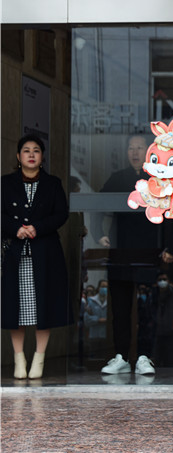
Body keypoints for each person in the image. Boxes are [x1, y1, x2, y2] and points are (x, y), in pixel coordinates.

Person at [91, 133, 173, 376]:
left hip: (149, 254)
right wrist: (98, 235)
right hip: (120, 252)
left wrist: (172, 248)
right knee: (120, 310)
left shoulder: (160, 176)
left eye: (139, 147)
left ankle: (144, 356)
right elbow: (96, 206)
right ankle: (121, 357)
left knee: (147, 310)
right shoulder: (117, 179)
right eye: (130, 148)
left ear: (149, 151)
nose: (134, 152)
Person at [2, 134, 72, 380]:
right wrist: (15, 229)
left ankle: (39, 358)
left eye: (36, 150)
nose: (31, 154)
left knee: (45, 307)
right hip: (15, 254)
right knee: (16, 309)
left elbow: (61, 213)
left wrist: (37, 228)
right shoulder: (5, 183)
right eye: (26, 150)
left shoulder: (52, 183)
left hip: (45, 254)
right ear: (18, 156)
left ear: (42, 157)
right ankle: (19, 359)